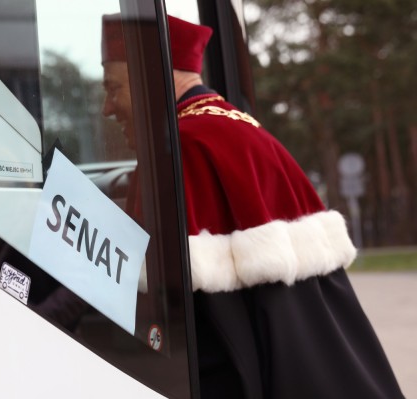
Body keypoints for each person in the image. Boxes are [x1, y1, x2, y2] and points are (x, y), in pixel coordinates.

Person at [101, 14, 404, 398]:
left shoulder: (178, 148)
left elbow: (201, 335)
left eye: (113, 88)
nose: (106, 108)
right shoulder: (239, 127)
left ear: (150, 73)